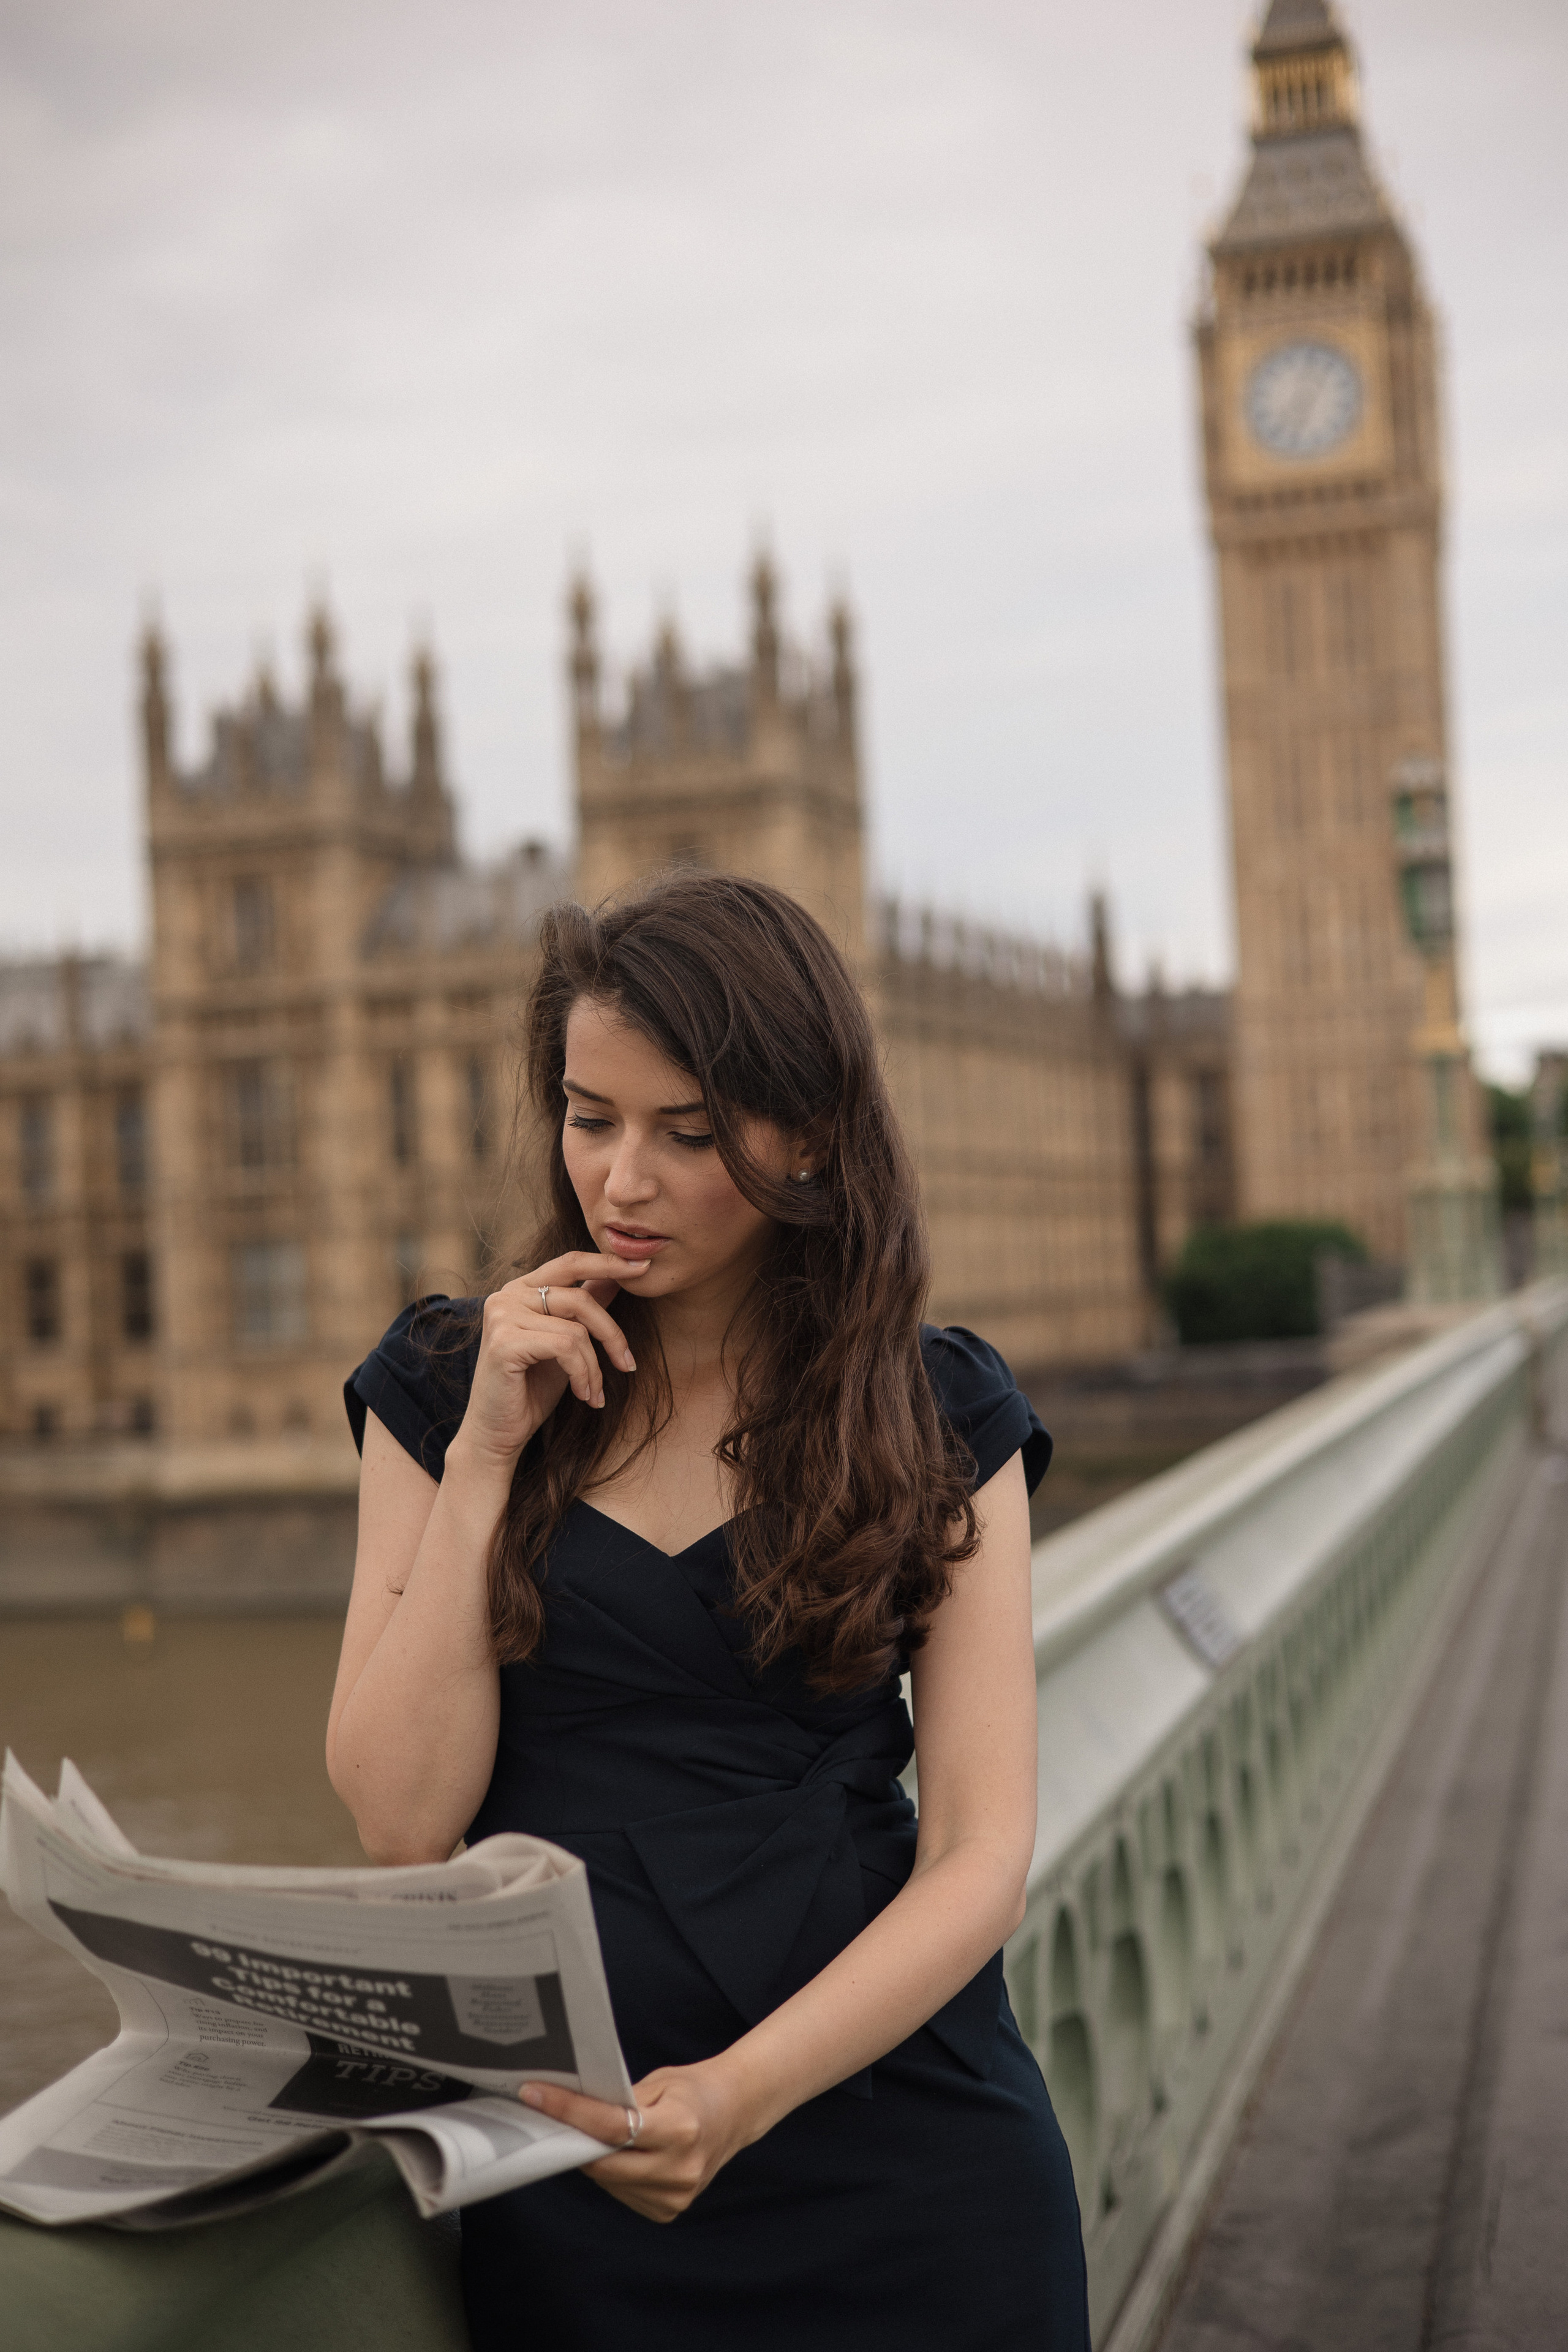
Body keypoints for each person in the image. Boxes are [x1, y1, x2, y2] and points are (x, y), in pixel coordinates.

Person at [328, 874, 1090, 2351]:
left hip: (901, 2166)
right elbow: (398, 1821)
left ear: (808, 1135)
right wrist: (488, 1450)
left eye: (686, 1134)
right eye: (588, 1116)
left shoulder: (936, 1411)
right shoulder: (441, 1388)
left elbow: (981, 1852)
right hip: (582, 2180)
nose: (619, 1181)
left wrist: (743, 2093)